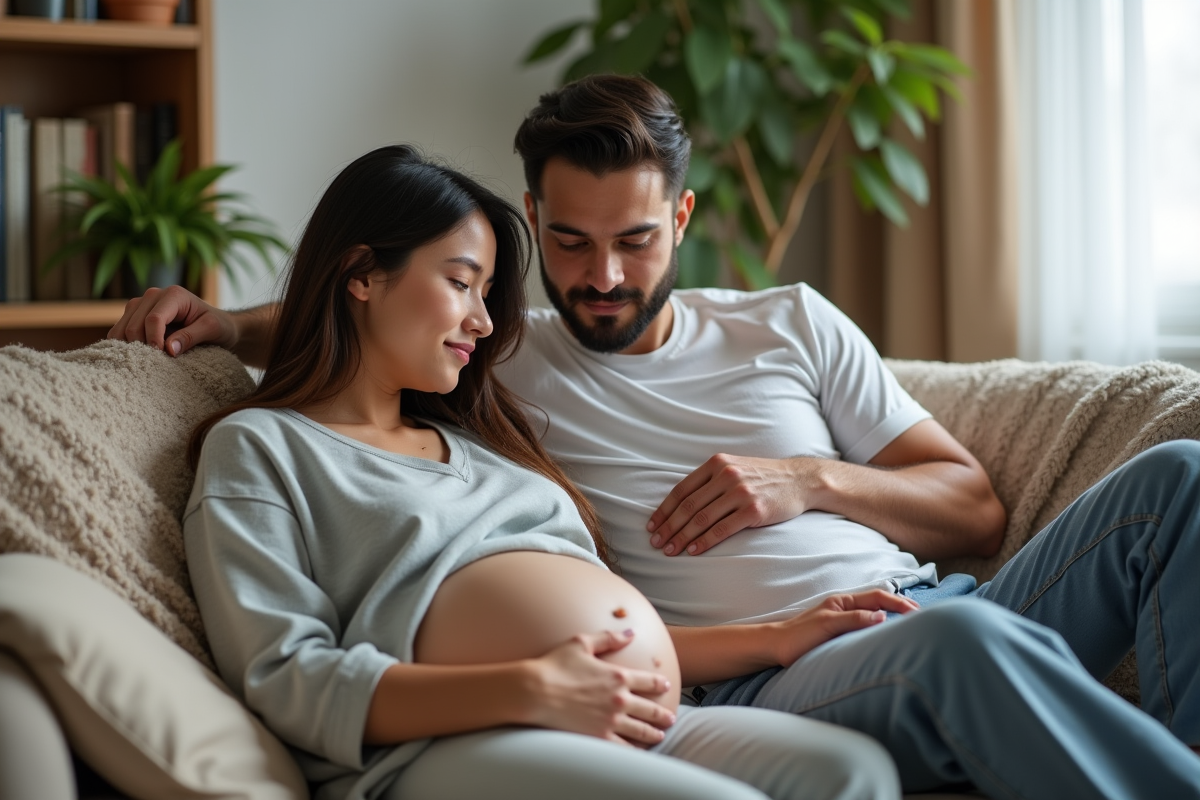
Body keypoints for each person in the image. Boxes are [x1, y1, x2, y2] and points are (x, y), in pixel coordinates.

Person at [120, 79, 1200, 798]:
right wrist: (221, 322)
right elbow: (366, 315)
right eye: (570, 243)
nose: (600, 277)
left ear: (680, 220)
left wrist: (811, 480)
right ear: (533, 222)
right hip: (781, 675)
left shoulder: (791, 320)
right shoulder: (507, 360)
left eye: (634, 241)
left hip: (933, 605)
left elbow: (978, 511)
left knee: (1179, 480)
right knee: (964, 650)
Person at [181, 143, 909, 800]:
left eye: (486, 293)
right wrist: (533, 689)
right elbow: (286, 676)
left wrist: (776, 635)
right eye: (462, 283)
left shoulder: (482, 443)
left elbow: (593, 651)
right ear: (362, 275)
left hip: (625, 709)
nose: (485, 322)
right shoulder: (263, 448)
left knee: (853, 771)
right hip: (449, 743)